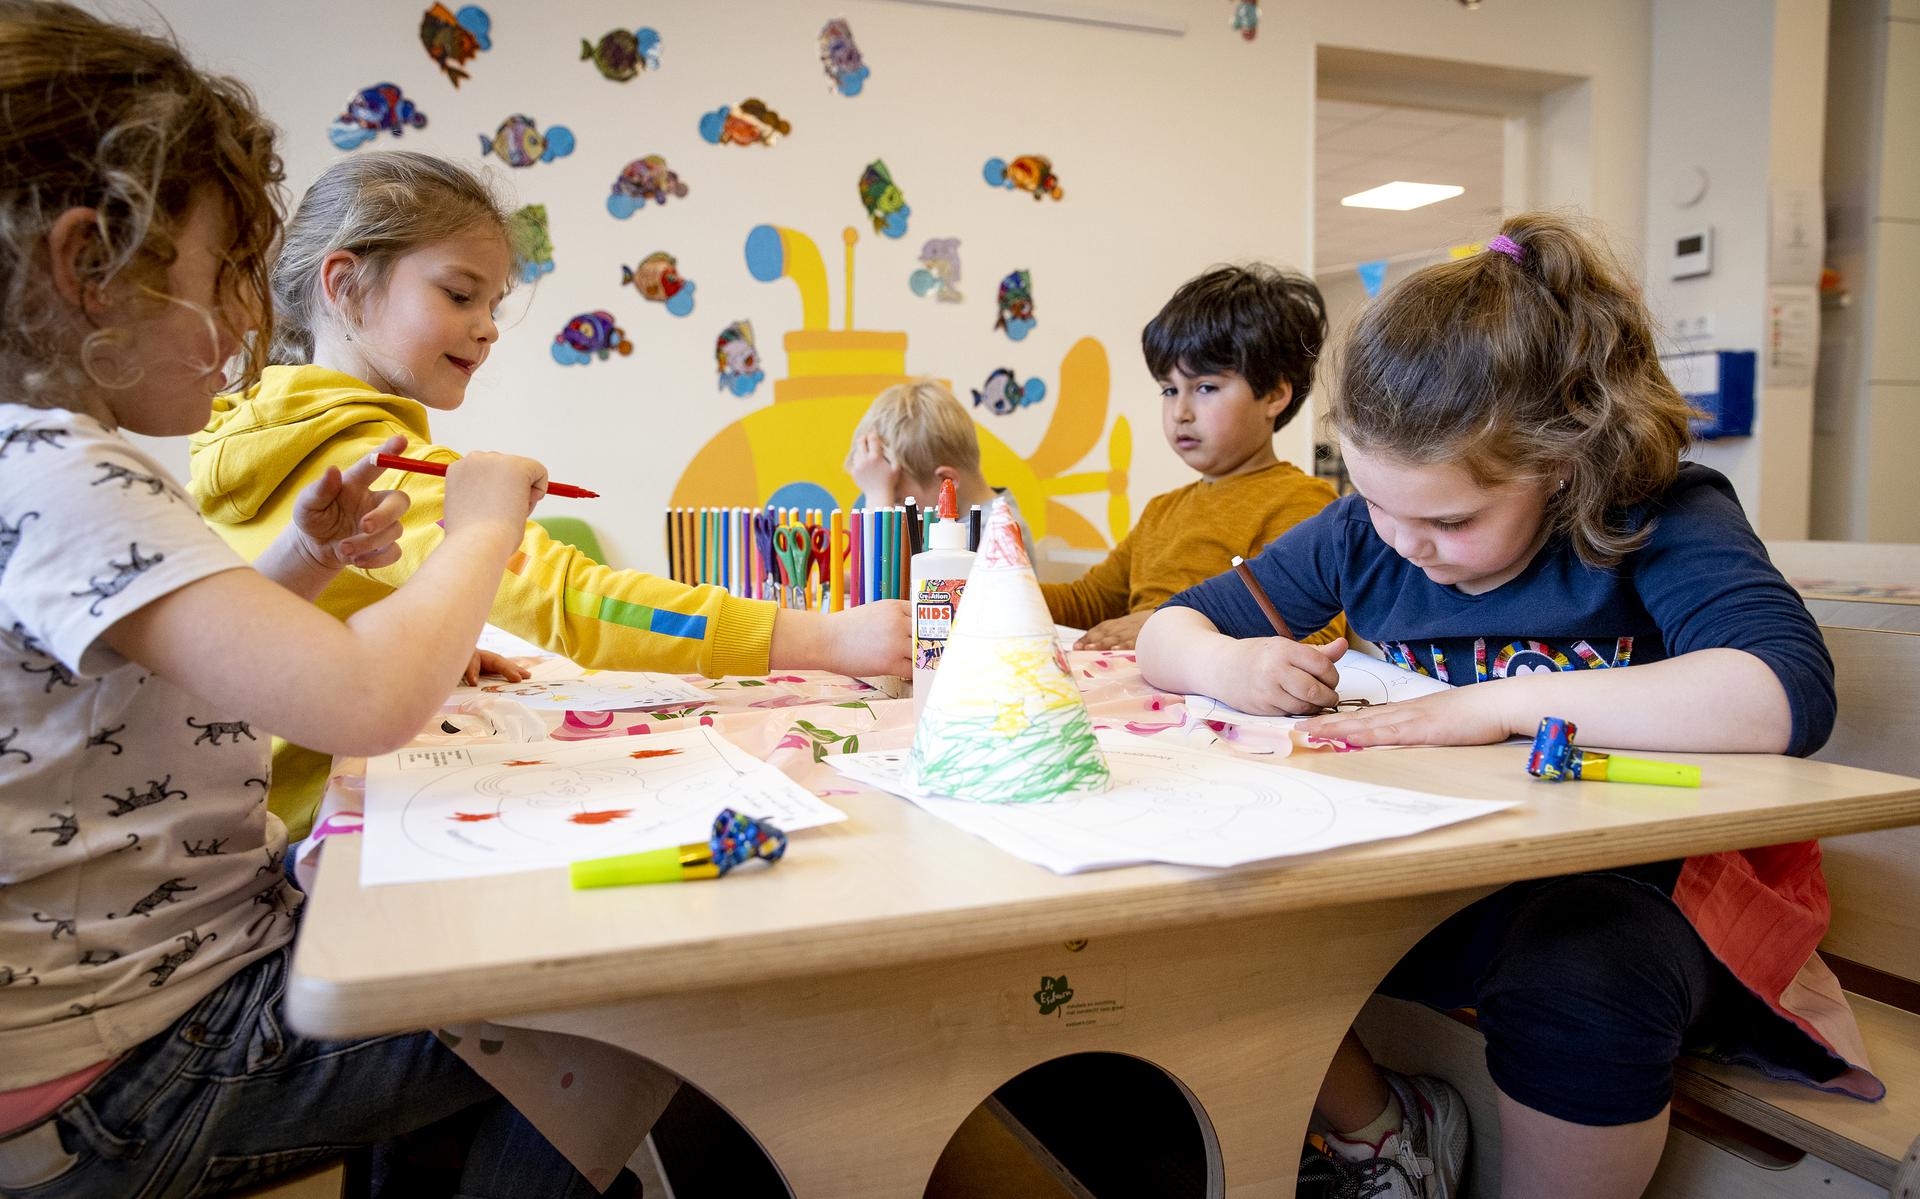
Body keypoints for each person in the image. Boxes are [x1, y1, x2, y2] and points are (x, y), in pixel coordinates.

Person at [0, 6, 612, 1195]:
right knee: (604, 988)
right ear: (86, 265)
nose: (246, 322)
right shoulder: (71, 476)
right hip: (136, 1064)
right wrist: (483, 525)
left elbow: (145, 673)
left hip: (137, 1008)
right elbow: (366, 698)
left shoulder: (35, 466)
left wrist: (302, 566)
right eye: (225, 274)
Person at [1137, 214, 1873, 1199]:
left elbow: (1784, 690)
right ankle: (1387, 1136)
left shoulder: (1655, 513)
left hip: (1649, 895)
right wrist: (1227, 665)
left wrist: (1500, 704)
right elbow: (1168, 630)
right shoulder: (1369, 527)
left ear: (1561, 460)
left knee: (1582, 972)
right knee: (1191, 903)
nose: (1403, 542)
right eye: (1374, 499)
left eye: (1448, 519)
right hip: (1438, 877)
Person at [189, 151, 911, 837]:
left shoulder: (266, 431)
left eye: (494, 303)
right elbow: (576, 601)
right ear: (343, 284)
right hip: (306, 831)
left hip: (251, 798)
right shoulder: (370, 462)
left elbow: (308, 614)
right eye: (460, 293)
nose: (489, 327)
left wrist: (437, 637)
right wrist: (829, 637)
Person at [1040, 265, 1344, 650]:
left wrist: (1171, 627)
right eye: (1169, 390)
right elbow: (1087, 602)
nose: (1180, 411)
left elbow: (1316, 639)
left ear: (1273, 395)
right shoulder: (1161, 512)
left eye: (1204, 387)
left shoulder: (1301, 503)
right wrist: (982, 587)